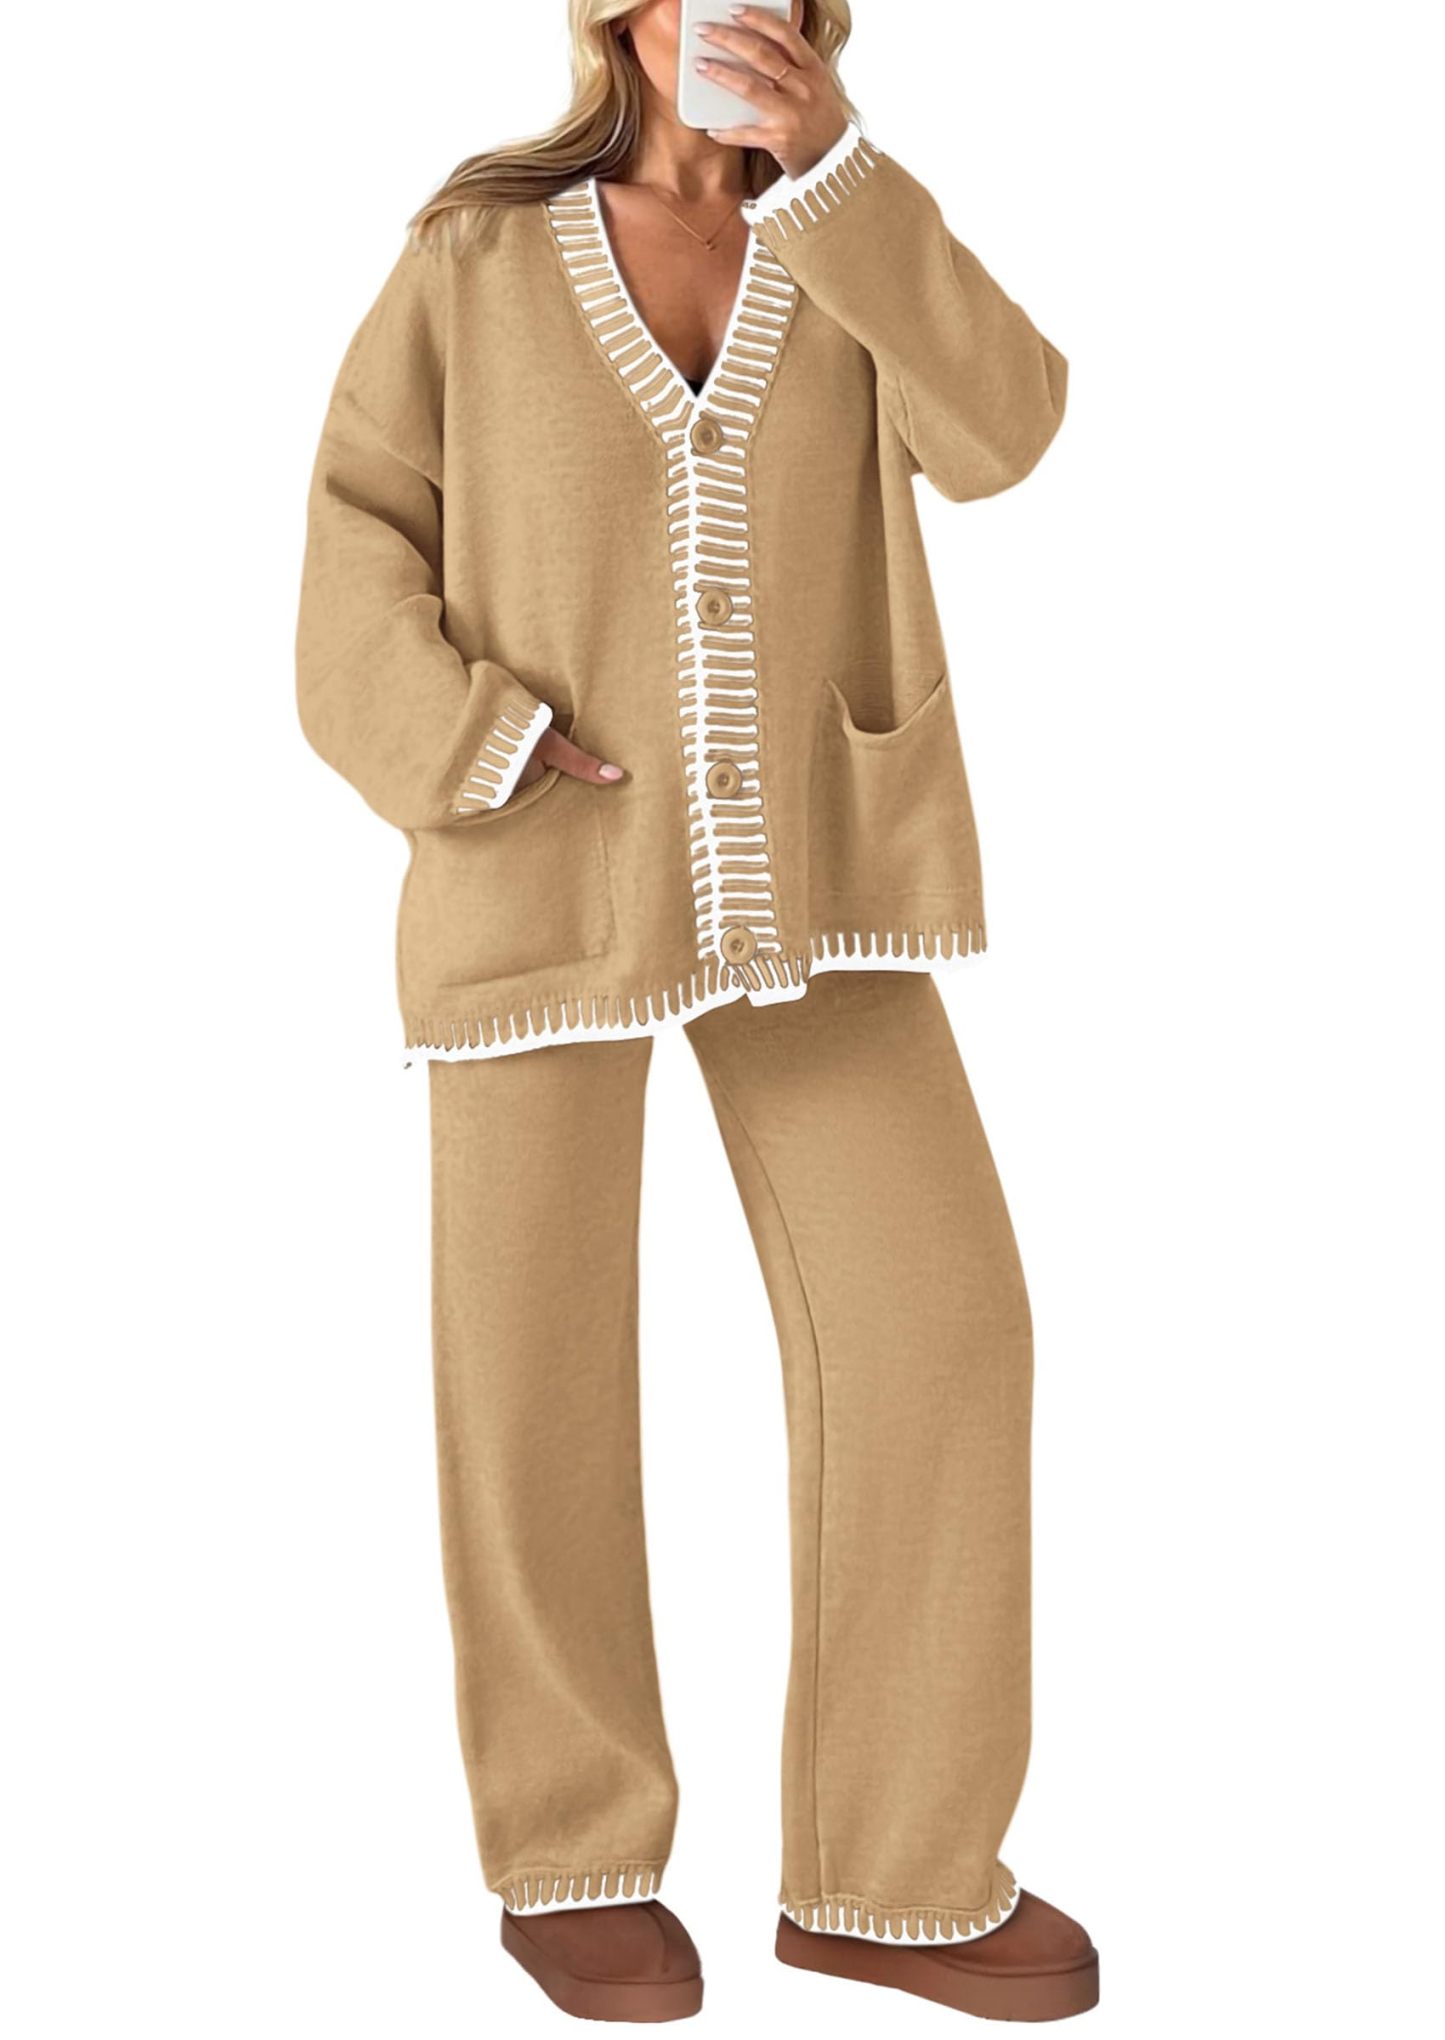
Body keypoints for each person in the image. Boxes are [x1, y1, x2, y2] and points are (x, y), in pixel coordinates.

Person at [295, 0, 1095, 2022]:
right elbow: (349, 549)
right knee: (535, 1375)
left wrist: (839, 176)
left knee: (944, 1326)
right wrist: (471, 740)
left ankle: (893, 1870)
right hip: (531, 870)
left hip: (811, 870)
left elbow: (1006, 431)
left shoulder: (844, 237)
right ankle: (567, 1850)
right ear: (615, 17)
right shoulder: (472, 257)